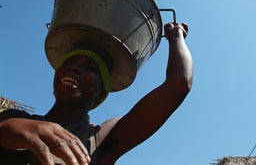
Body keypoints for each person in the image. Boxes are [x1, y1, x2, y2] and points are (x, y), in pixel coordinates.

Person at [0, 22, 193, 165]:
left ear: (101, 93)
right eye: (67, 64)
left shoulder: (101, 140)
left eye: (89, 67)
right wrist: (18, 130)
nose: (73, 68)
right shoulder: (14, 119)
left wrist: (176, 36)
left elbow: (179, 84)